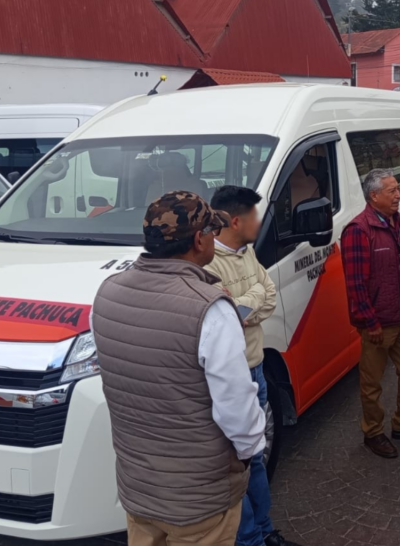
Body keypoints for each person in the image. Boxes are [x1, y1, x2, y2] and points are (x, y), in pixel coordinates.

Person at [92, 191, 265, 546]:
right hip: (198, 499)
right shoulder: (210, 308)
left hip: (138, 487)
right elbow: (238, 413)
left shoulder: (108, 292)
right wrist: (246, 456)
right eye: (211, 233)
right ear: (200, 239)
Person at [204, 186, 299, 546]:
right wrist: (246, 305)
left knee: (254, 458)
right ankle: (248, 538)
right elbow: (225, 316)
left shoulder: (247, 253)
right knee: (236, 466)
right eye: (255, 215)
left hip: (256, 367)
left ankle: (262, 530)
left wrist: (244, 304)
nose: (261, 222)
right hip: (233, 376)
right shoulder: (209, 263)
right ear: (235, 220)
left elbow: (268, 296)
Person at [340, 168, 400, 459]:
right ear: (374, 196)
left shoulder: (399, 221)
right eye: (392, 191)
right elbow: (355, 283)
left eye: (398, 189)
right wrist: (370, 323)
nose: (399, 195)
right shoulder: (358, 230)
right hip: (378, 323)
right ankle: (373, 432)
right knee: (371, 383)